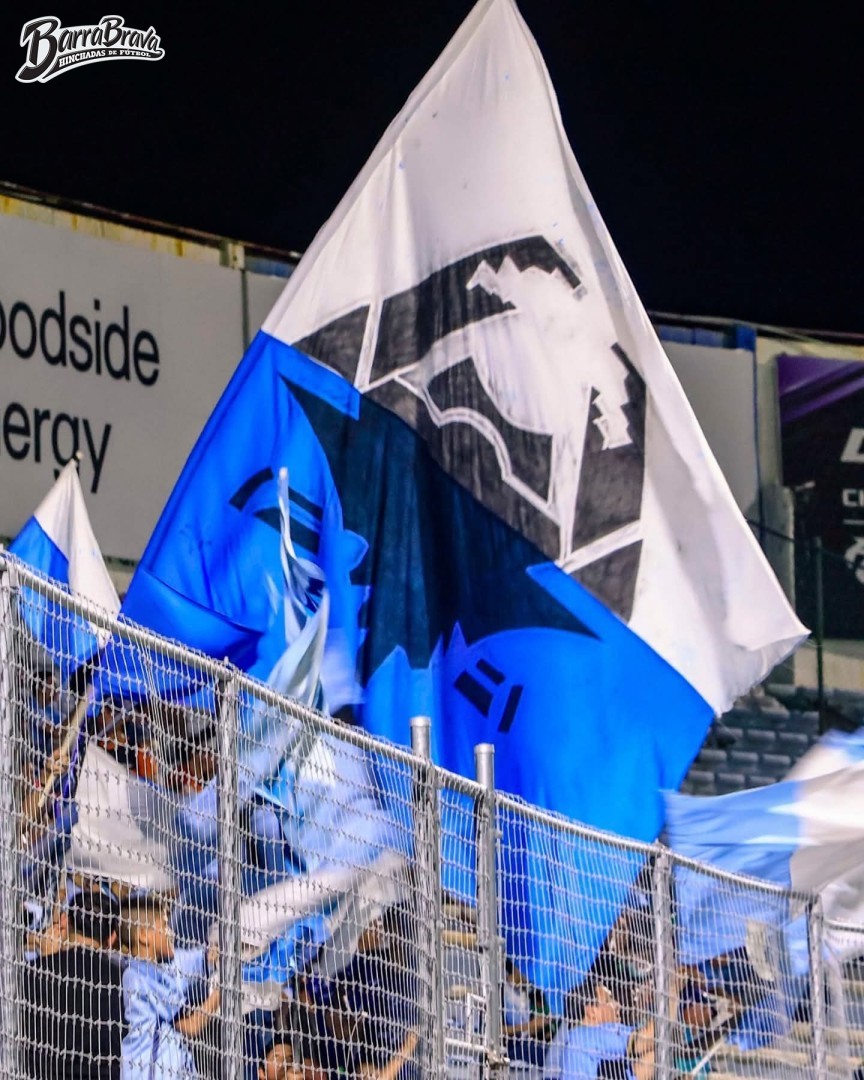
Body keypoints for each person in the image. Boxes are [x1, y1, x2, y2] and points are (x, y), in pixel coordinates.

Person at [20, 888, 126, 1079]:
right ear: (112, 937)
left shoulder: (33, 972)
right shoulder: (124, 982)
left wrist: (47, 960)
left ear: (64, 921)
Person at [119, 893, 220, 1080]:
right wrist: (224, 987)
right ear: (144, 935)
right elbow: (192, 1025)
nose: (171, 932)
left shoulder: (163, 967)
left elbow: (204, 958)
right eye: (164, 925)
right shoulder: (138, 976)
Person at [543, 976, 654, 1080]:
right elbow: (642, 1041)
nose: (617, 1005)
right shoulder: (581, 1040)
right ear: (592, 1012)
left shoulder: (595, 1056)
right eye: (608, 1000)